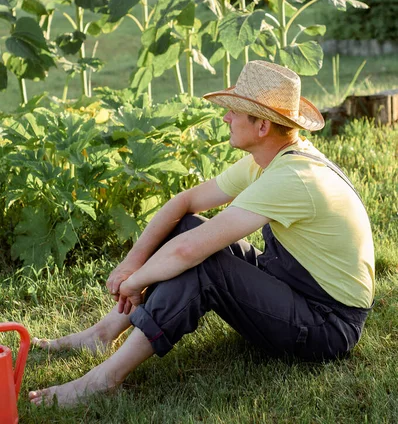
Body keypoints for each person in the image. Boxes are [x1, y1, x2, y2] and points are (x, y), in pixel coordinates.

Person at [29, 60, 375, 407]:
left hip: (328, 324)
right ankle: (103, 333)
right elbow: (185, 202)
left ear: (263, 126)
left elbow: (187, 253)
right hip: (293, 281)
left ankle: (104, 379)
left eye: (234, 111)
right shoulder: (270, 159)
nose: (225, 117)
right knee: (185, 227)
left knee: (203, 263)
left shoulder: (292, 177)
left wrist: (135, 283)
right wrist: (131, 264)